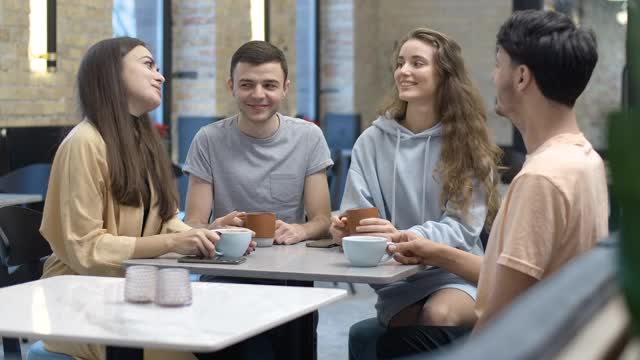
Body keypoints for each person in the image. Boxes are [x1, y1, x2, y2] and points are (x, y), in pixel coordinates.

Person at [377, 10, 608, 359]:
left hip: (531, 344)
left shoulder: (540, 179)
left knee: (393, 342)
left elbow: (500, 318)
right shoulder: (584, 158)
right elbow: (514, 274)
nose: (492, 75)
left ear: (521, 78)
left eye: (498, 64)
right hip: (563, 334)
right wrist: (434, 250)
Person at [39, 37, 255, 360]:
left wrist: (207, 237)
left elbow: (164, 222)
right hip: (83, 305)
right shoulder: (83, 144)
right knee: (220, 345)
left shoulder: (142, 142)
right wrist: (173, 244)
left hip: (133, 297)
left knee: (242, 335)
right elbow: (86, 247)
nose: (161, 76)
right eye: (148, 65)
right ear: (112, 74)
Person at [330, 28, 503, 359]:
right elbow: (357, 209)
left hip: (455, 271)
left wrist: (405, 235)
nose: (404, 71)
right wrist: (347, 228)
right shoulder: (372, 140)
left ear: (444, 75)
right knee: (405, 332)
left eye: (417, 63)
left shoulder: (467, 144)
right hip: (397, 277)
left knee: (436, 316)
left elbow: (462, 227)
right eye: (400, 62)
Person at [183, 41, 333, 245]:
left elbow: (322, 220)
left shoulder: (309, 137)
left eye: (269, 85)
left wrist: (301, 230)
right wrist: (212, 228)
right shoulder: (207, 140)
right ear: (231, 87)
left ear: (285, 89)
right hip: (226, 264)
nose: (258, 94)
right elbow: (193, 223)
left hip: (291, 267)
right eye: (247, 85)